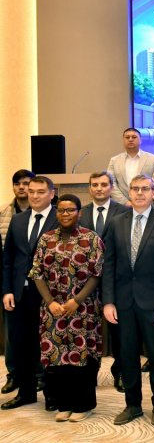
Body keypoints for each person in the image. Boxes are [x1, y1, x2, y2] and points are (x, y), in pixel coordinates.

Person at [102, 175, 154, 427]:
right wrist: (108, 301)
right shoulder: (116, 223)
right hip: (123, 303)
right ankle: (132, 404)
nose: (139, 193)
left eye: (145, 189)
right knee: (127, 355)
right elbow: (108, 265)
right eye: (135, 189)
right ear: (129, 192)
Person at [30, 194, 103, 422]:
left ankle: (83, 405)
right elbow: (37, 273)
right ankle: (64, 403)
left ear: (79, 213)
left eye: (70, 210)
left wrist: (77, 300)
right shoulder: (46, 239)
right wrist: (50, 301)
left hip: (83, 309)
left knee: (82, 356)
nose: (65, 214)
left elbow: (96, 274)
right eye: (61, 210)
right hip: (53, 310)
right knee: (57, 357)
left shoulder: (91, 238)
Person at [2, 176, 58, 410]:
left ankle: (53, 395)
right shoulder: (18, 220)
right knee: (21, 344)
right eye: (31, 191)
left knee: (50, 345)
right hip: (19, 293)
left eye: (40, 192)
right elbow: (8, 259)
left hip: (50, 295)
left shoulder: (60, 217)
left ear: (52, 194)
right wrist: (7, 290)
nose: (34, 195)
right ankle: (26, 393)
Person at [78, 171, 129, 393]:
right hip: (85, 280)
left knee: (119, 331)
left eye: (103, 184)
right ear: (90, 188)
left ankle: (121, 373)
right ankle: (90, 373)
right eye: (95, 185)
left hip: (116, 278)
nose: (99, 188)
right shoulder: (81, 213)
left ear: (111, 187)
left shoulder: (124, 211)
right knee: (87, 328)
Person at [0, 168, 34, 395]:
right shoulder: (4, 213)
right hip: (12, 279)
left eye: (26, 183)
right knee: (12, 333)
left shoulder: (44, 212)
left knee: (37, 332)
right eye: (18, 183)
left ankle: (38, 374)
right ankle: (14, 375)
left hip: (38, 282)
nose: (22, 187)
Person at [107, 128, 154, 205]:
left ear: (140, 140)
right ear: (123, 140)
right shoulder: (114, 160)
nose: (130, 139)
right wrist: (125, 202)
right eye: (127, 137)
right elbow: (111, 183)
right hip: (122, 206)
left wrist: (144, 200)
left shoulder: (153, 159)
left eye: (134, 137)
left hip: (147, 204)